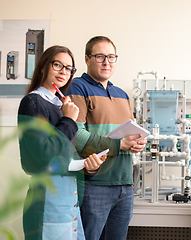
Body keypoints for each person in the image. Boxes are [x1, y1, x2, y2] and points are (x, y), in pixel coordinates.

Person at [18, 45, 107, 240]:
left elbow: (64, 158)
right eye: (58, 65)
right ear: (43, 66)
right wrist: (69, 120)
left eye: (69, 68)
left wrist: (88, 166)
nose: (63, 72)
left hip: (69, 199)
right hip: (48, 199)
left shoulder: (61, 106)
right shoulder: (33, 102)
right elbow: (44, 156)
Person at [66, 36, 147, 240]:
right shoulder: (77, 87)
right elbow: (76, 135)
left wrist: (138, 142)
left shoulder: (122, 94)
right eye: (100, 56)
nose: (106, 62)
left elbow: (131, 132)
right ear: (87, 58)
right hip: (95, 184)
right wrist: (119, 145)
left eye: (111, 57)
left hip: (124, 185)